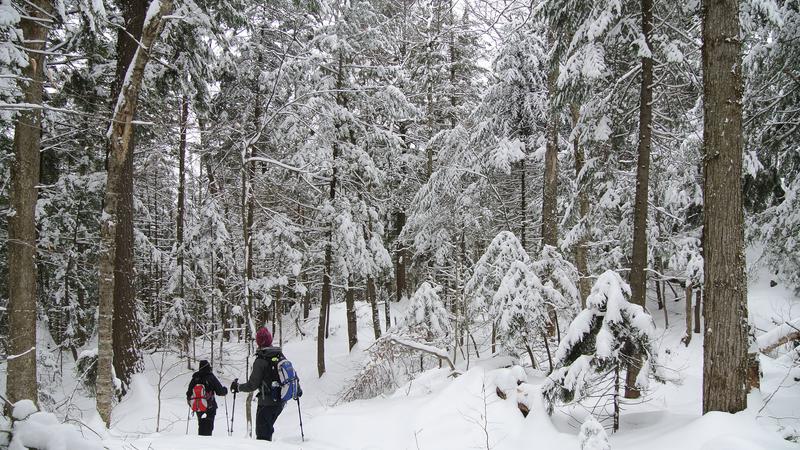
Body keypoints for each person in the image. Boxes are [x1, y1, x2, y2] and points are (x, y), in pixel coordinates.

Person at [230, 327, 286, 441]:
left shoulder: (261, 360)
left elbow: (253, 385)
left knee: (262, 436)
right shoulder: (279, 355)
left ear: (259, 342)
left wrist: (238, 387)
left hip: (266, 403)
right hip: (280, 401)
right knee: (267, 432)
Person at [186, 360, 228, 436]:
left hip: (199, 406)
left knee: (201, 426)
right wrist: (225, 390)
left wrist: (192, 404)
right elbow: (220, 391)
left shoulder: (195, 378)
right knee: (209, 426)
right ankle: (207, 443)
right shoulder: (211, 377)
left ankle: (201, 442)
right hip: (210, 406)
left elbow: (189, 393)